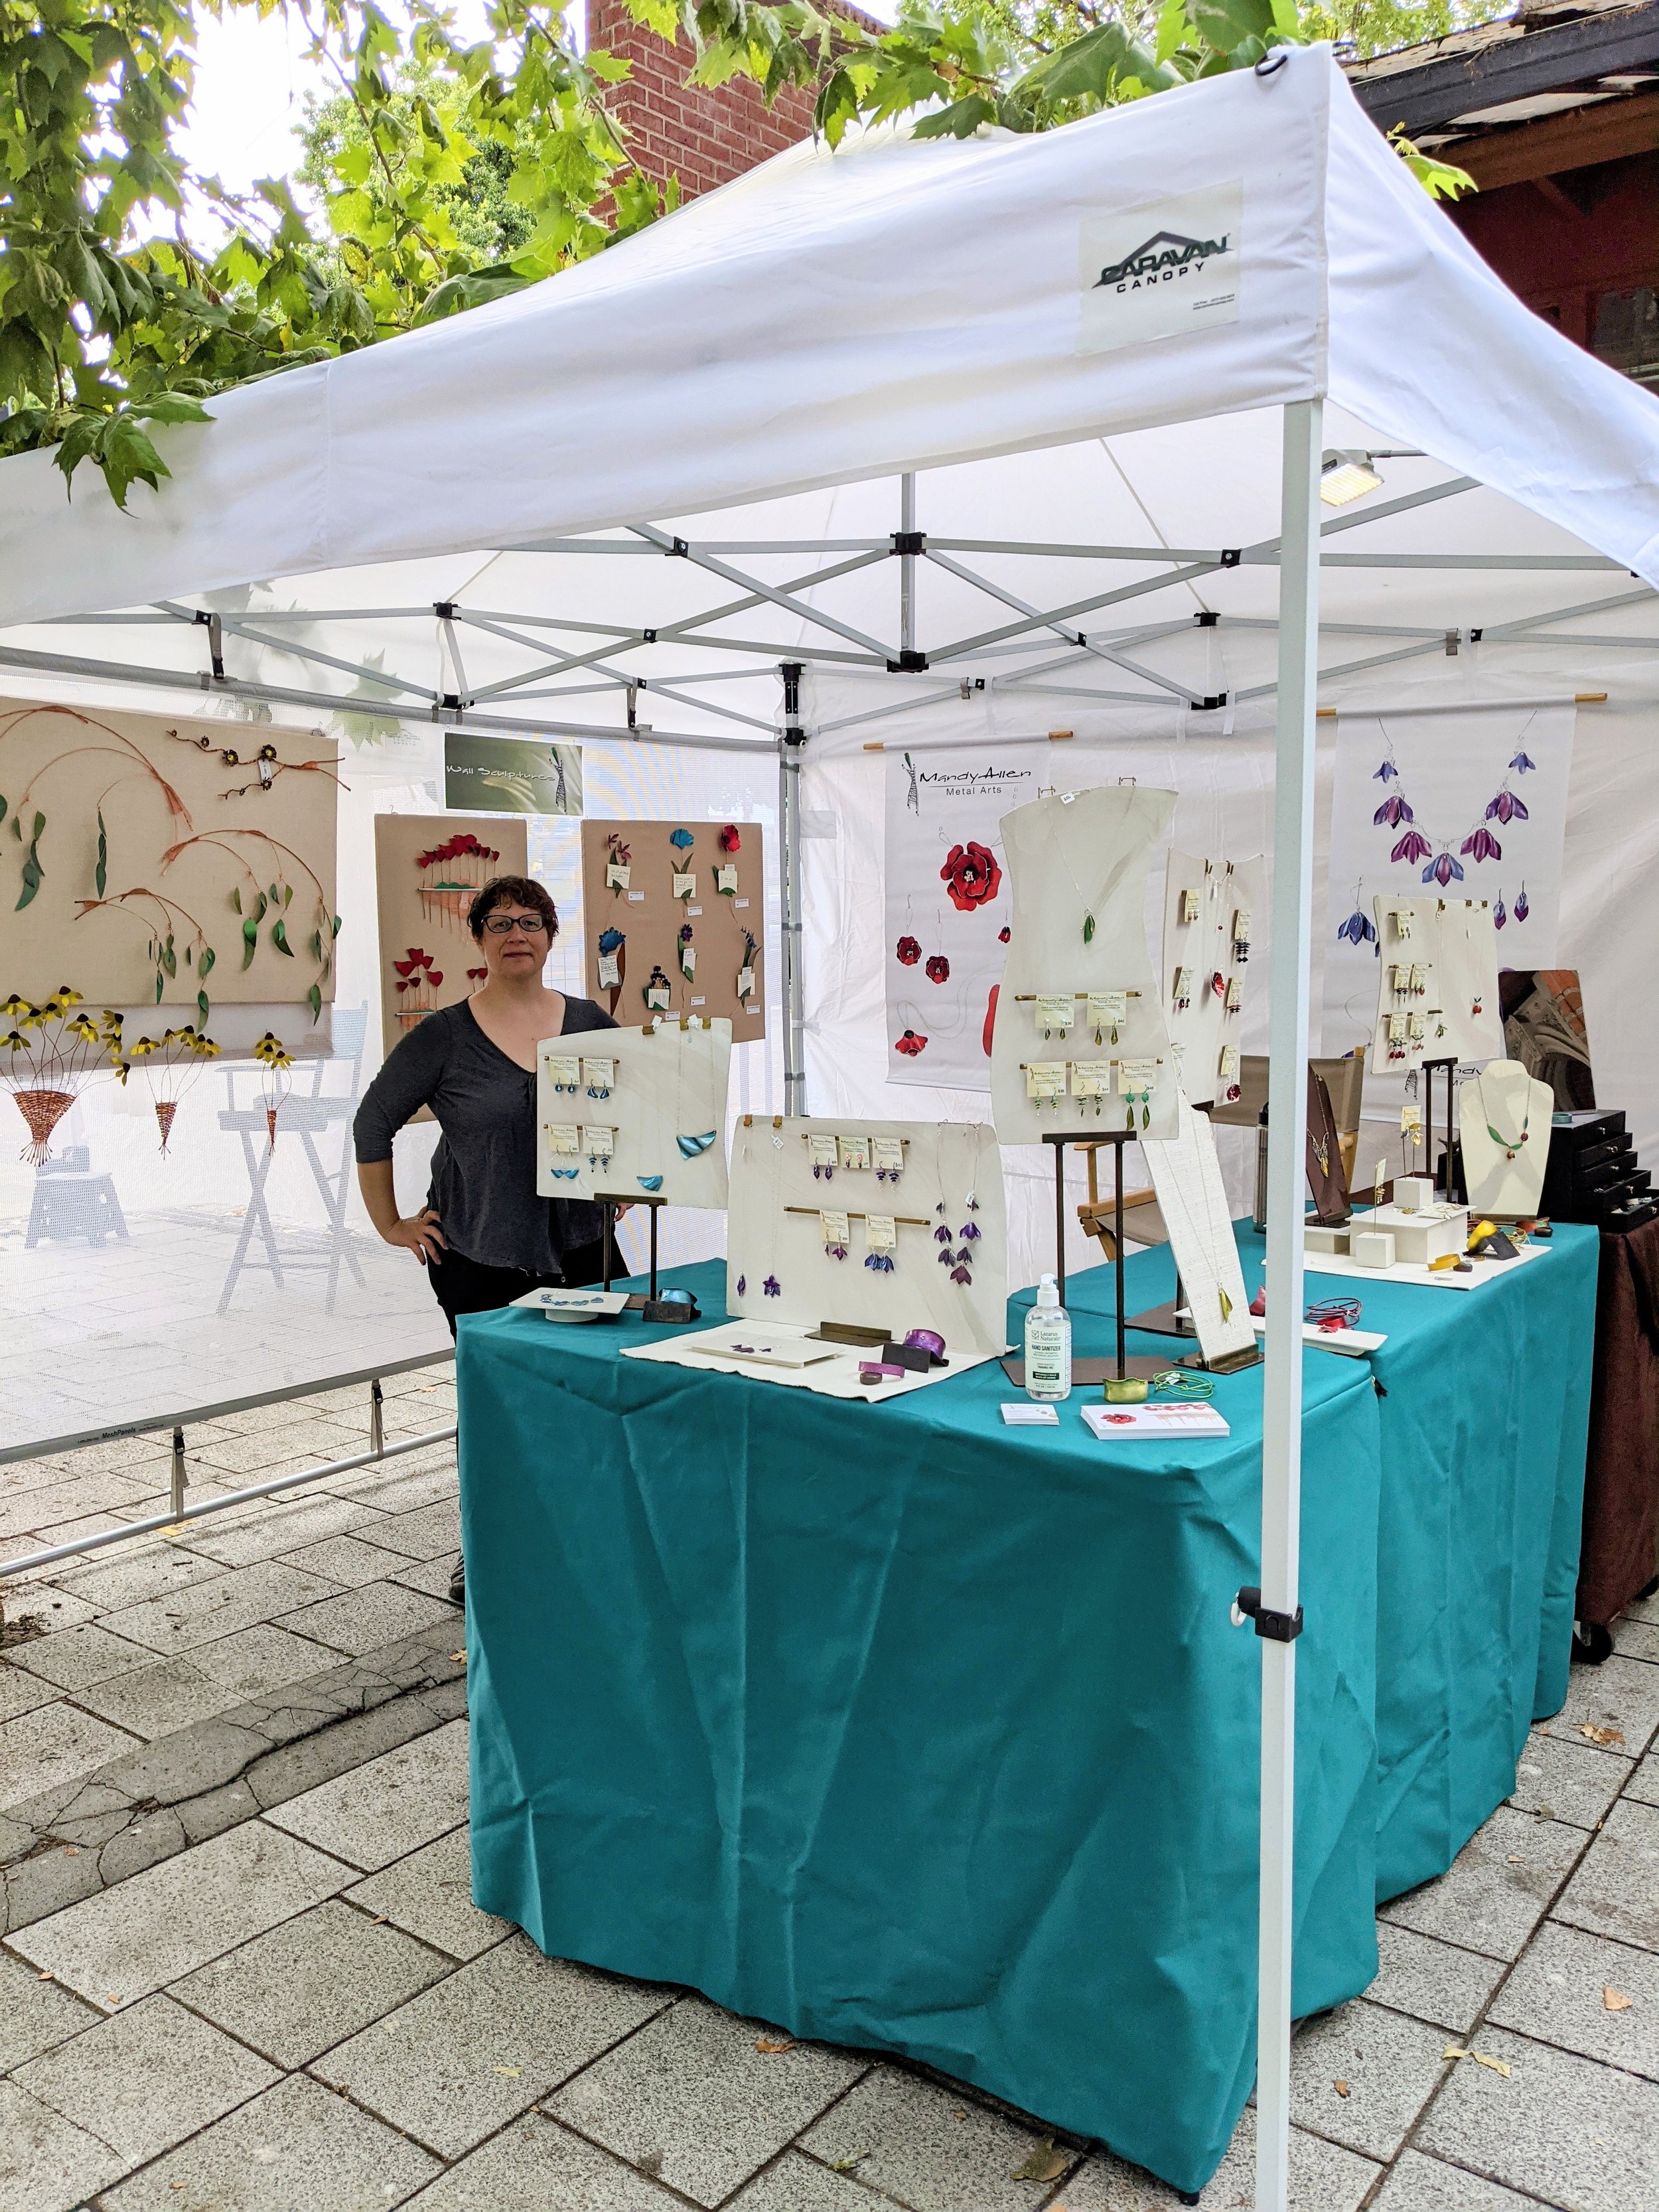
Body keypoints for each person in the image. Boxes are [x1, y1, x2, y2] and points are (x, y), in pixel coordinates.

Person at [354, 873, 624, 1606]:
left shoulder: (591, 1021)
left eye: (531, 922)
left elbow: (633, 1112)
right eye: (500, 922)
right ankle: (491, 1551)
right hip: (480, 1254)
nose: (516, 934)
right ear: (478, 938)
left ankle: (588, 1537)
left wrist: (626, 1184)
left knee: (591, 1398)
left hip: (583, 1251)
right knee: (499, 1412)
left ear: (549, 936)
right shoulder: (443, 1035)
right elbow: (371, 1124)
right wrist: (390, 1225)